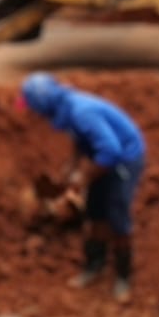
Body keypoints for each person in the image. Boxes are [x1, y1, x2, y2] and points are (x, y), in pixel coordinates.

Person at [18, 73, 146, 304]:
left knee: (117, 216)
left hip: (124, 160)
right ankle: (94, 266)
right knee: (95, 210)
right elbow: (83, 142)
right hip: (104, 157)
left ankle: (123, 276)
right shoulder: (68, 110)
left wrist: (82, 179)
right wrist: (70, 169)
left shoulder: (82, 113)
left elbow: (111, 151)